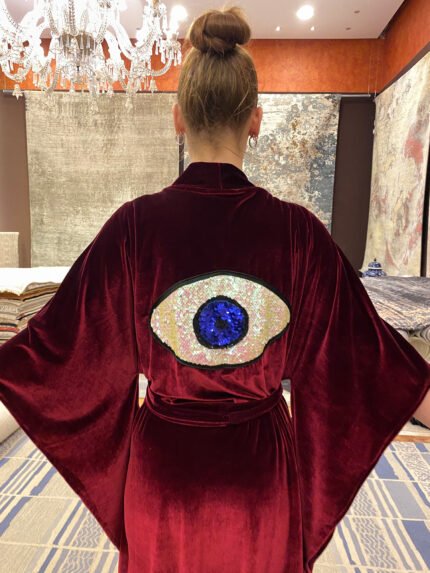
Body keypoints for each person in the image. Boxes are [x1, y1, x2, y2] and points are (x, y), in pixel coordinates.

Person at [1, 6, 429, 573]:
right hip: (260, 480)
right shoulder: (299, 234)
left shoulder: (134, 228)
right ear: (256, 120)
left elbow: (56, 348)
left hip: (163, 478)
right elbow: (371, 359)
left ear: (178, 117)